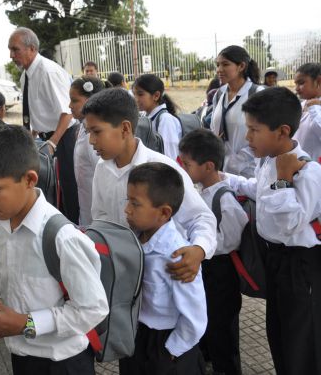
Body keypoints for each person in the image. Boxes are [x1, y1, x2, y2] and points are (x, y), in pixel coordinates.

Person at [0, 124, 108, 375]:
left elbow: (93, 309)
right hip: (23, 355)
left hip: (63, 363)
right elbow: (5, 267)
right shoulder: (1, 224)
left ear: (29, 179)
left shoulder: (62, 238)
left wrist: (25, 324)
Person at [223, 87, 321, 375]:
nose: (247, 137)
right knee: (279, 334)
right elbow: (260, 192)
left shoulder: (307, 172)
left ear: (282, 131)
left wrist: (282, 179)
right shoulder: (268, 161)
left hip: (300, 267)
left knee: (303, 342)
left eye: (254, 130)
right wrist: (227, 179)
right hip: (276, 261)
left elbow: (288, 221)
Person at [85, 88, 217, 285]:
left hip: (163, 277)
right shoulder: (102, 169)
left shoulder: (162, 168)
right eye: (89, 132)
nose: (91, 140)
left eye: (96, 132)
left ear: (125, 128)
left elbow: (201, 217)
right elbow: (100, 217)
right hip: (123, 276)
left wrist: (198, 249)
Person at [119, 162, 207, 375]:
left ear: (164, 212)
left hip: (166, 343)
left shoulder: (177, 256)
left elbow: (195, 316)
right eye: (127, 200)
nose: (127, 209)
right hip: (138, 335)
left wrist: (171, 351)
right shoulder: (135, 239)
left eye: (135, 203)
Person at [179, 129, 248, 375]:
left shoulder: (224, 197)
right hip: (207, 270)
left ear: (208, 166)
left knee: (223, 329)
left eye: (187, 164)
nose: (184, 169)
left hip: (221, 272)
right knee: (208, 322)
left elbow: (231, 240)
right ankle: (209, 362)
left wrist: (198, 243)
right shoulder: (200, 191)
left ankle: (227, 369)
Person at [9, 27, 79, 223]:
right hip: (47, 138)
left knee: (68, 190)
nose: (11, 55)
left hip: (63, 138)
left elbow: (67, 112)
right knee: (51, 190)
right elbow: (40, 109)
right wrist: (32, 134)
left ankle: (73, 230)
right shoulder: (27, 75)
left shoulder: (48, 71)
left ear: (31, 49)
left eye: (15, 50)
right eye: (10, 50)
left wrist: (53, 143)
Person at [210, 45, 264, 178]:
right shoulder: (219, 94)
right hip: (222, 170)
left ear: (241, 66)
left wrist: (236, 161)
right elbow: (214, 128)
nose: (219, 70)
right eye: (217, 65)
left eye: (225, 64)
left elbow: (264, 135)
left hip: (249, 173)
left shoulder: (257, 94)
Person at [69, 76, 104, 226]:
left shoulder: (95, 136)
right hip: (86, 211)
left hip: (98, 218)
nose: (69, 105)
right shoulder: (83, 128)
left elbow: (102, 176)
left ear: (91, 100)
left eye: (75, 100)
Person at [133, 74, 182, 160]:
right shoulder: (145, 116)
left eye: (140, 94)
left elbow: (170, 157)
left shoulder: (166, 120)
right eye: (134, 94)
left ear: (156, 96)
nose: (136, 99)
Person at [293, 63, 321, 162]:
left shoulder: (315, 107)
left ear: (318, 81)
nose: (296, 88)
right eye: (295, 84)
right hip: (296, 168)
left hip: (315, 171)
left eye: (301, 83)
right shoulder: (300, 105)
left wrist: (314, 108)